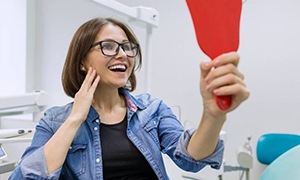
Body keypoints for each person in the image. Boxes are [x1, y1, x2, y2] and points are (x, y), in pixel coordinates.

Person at [9, 17, 249, 180]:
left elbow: (191, 159)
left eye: (127, 47)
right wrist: (75, 118)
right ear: (82, 61)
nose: (122, 54)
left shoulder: (151, 109)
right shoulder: (55, 121)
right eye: (109, 46)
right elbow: (27, 176)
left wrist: (213, 115)